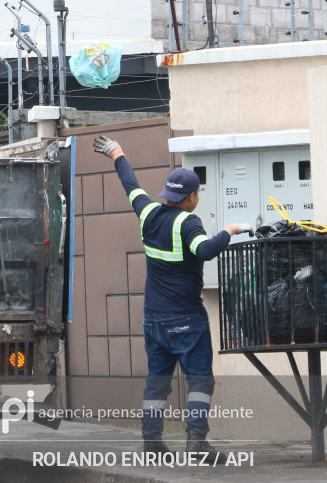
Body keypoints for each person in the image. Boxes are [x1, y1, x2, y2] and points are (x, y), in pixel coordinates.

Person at [93, 135, 251, 462]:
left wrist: (117, 154)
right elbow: (205, 250)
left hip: (153, 318)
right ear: (192, 196)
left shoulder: (148, 213)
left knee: (157, 383)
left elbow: (131, 187)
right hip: (186, 319)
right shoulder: (188, 221)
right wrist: (231, 230)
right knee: (199, 380)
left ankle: (151, 444)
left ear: (168, 193)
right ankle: (196, 444)